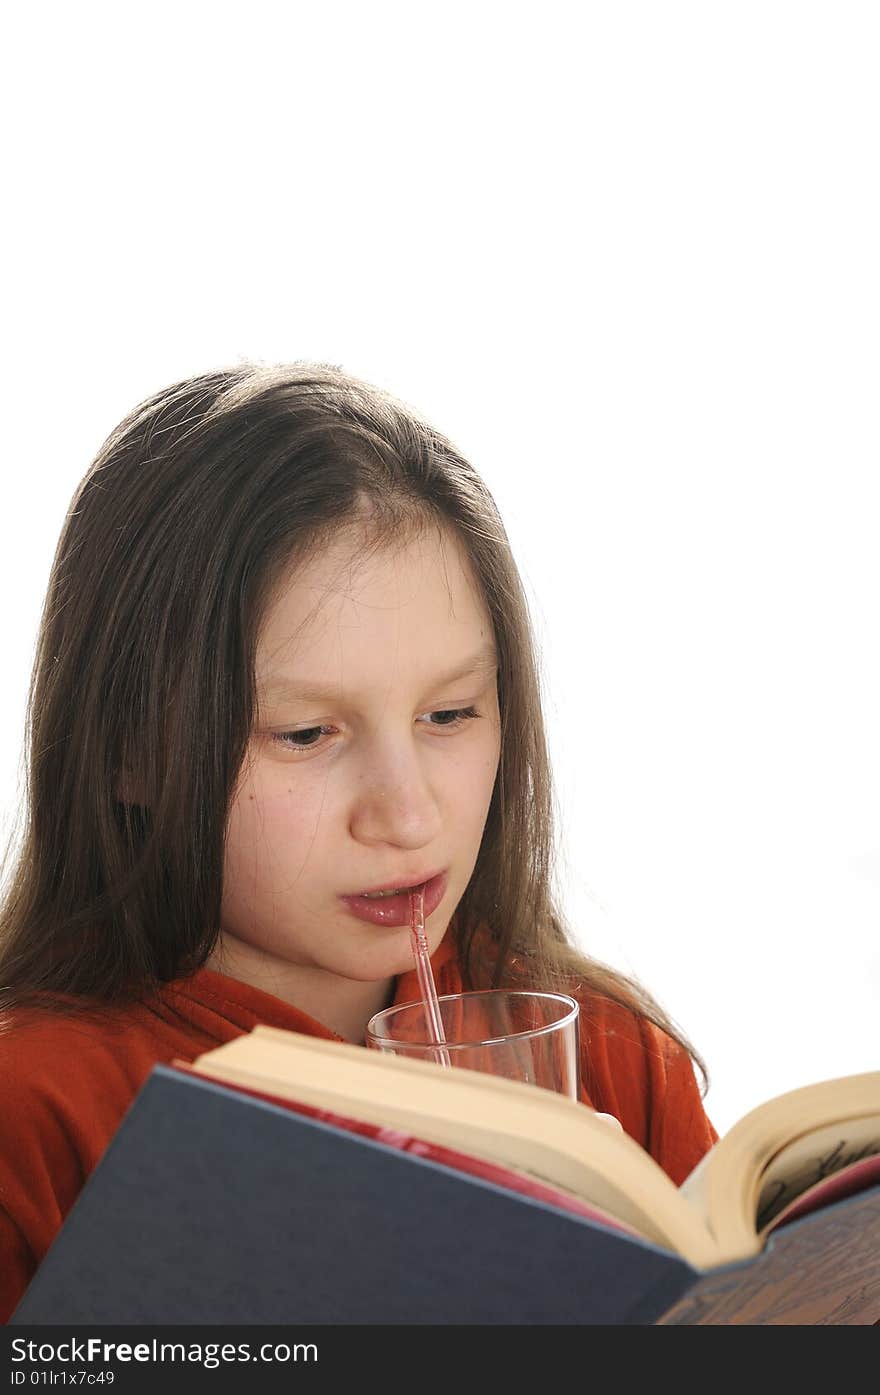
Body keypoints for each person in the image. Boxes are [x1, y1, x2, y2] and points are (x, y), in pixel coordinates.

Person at [0, 361, 717, 1321]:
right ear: (129, 748)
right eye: (305, 734)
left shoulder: (611, 1058)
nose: (407, 815)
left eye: (451, 713)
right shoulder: (36, 1108)